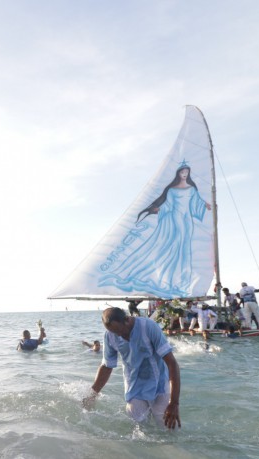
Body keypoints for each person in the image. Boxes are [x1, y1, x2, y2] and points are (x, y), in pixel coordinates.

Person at [99, 161, 211, 298]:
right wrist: (160, 209)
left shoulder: (192, 189)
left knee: (186, 244)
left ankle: (184, 280)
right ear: (178, 173)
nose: (184, 174)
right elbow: (168, 204)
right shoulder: (172, 190)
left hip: (187, 217)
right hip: (176, 216)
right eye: (182, 172)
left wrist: (206, 205)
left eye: (186, 172)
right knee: (179, 241)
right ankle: (171, 279)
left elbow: (197, 201)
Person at [83, 307, 181, 429]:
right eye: (115, 333)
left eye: (121, 331)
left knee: (168, 427)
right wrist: (92, 394)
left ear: (127, 319)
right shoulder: (110, 336)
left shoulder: (148, 327)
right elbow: (107, 366)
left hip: (159, 384)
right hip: (135, 387)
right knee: (139, 429)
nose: (120, 336)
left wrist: (174, 402)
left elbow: (172, 363)